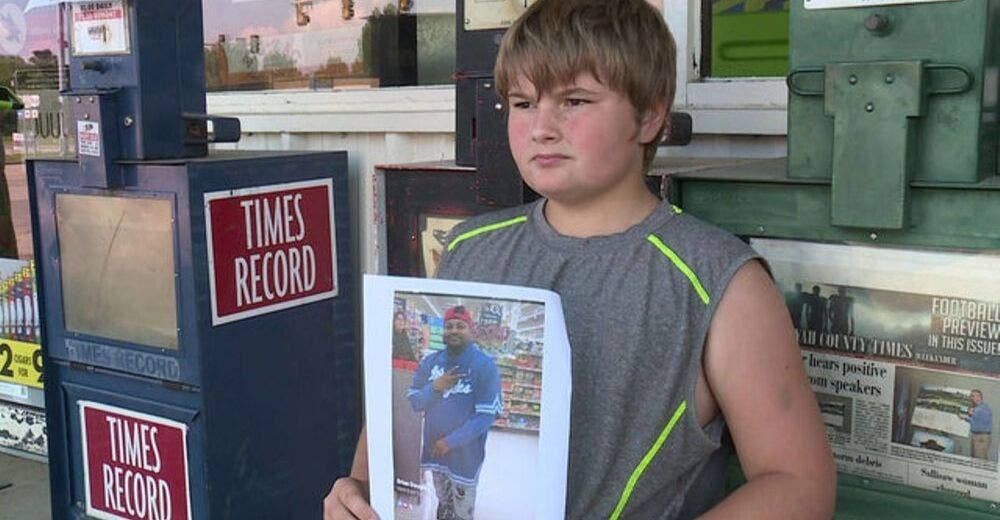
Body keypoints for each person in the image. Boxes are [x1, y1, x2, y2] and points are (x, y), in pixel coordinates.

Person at [324, 1, 835, 518]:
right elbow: (399, 415)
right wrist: (359, 489)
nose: (542, 127)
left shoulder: (717, 279)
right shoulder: (469, 248)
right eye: (522, 104)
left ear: (650, 114)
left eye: (574, 100)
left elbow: (797, 483)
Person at [405, 305, 501, 519]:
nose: (454, 330)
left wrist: (450, 441)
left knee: (462, 509)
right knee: (443, 500)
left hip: (465, 457)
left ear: (471, 330)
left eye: (460, 326)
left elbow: (485, 416)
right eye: (449, 326)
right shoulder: (430, 362)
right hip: (435, 453)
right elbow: (414, 401)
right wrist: (435, 388)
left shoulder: (485, 366)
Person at [965, 389, 993, 460]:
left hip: (981, 437)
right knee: (974, 458)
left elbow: (982, 421)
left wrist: (969, 415)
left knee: (980, 460)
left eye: (978, 396)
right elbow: (976, 422)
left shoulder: (983, 408)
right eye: (973, 396)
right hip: (976, 436)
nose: (975, 398)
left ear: (981, 397)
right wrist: (967, 417)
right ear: (971, 398)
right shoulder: (976, 408)